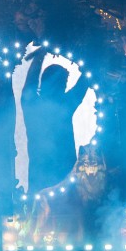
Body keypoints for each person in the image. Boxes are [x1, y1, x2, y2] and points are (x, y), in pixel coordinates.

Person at [20, 47, 89, 194]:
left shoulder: (32, 104)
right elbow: (85, 81)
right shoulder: (65, 105)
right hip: (63, 177)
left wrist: (39, 58)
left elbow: (30, 84)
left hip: (42, 177)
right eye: (64, 83)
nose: (65, 87)